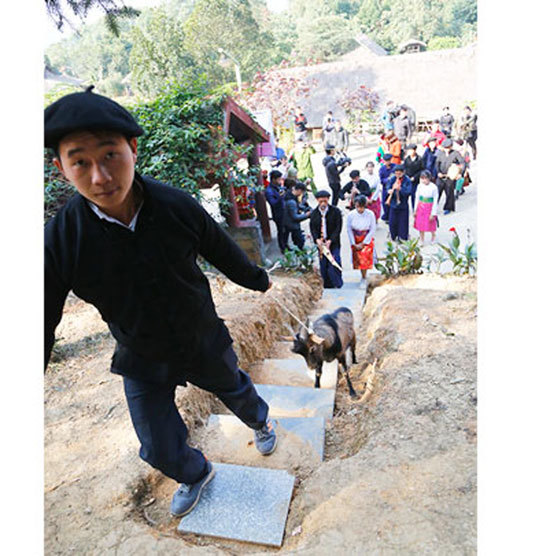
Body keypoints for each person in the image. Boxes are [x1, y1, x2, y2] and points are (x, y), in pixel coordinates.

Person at [44, 87, 277, 520]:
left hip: (199, 335)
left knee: (234, 389)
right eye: (80, 161)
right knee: (156, 444)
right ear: (61, 168)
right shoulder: (61, 241)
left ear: (132, 150)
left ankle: (262, 420)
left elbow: (222, 250)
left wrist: (257, 280)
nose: (99, 176)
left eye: (110, 155)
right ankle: (195, 472)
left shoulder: (175, 206)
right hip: (141, 350)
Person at [310, 190, 343, 289]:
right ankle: (327, 285)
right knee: (323, 265)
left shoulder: (335, 211)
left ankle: (337, 283)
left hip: (333, 242)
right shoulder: (314, 213)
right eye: (321, 202)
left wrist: (330, 240)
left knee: (334, 262)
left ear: (328, 199)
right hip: (321, 244)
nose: (323, 204)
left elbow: (338, 227)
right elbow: (312, 228)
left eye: (325, 201)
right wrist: (317, 239)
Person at [347, 195, 377, 288]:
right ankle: (362, 275)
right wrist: (353, 243)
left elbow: (372, 229)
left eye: (362, 207)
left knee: (365, 259)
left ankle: (364, 277)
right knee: (358, 260)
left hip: (366, 238)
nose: (360, 209)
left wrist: (364, 242)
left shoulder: (370, 214)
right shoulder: (351, 215)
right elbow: (349, 229)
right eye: (358, 207)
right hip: (356, 238)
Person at [435, 138, 464, 215]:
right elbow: (437, 164)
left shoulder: (456, 153)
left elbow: (462, 163)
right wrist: (438, 172)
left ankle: (448, 208)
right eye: (445, 148)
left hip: (450, 176)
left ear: (451, 147)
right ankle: (433, 207)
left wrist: (459, 173)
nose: (447, 150)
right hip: (441, 176)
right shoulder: (440, 154)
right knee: (437, 192)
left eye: (448, 148)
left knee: (449, 193)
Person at [386, 164, 413, 241]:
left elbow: (409, 191)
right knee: (392, 222)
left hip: (403, 204)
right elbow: (388, 186)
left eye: (399, 173)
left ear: (403, 172)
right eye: (396, 173)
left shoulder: (407, 180)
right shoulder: (392, 179)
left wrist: (400, 189)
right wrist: (389, 190)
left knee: (403, 223)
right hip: (393, 204)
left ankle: (403, 237)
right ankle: (393, 236)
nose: (398, 174)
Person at [282, 180, 311, 250]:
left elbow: (297, 206)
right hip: (292, 225)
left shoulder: (290, 196)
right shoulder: (292, 201)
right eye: (302, 192)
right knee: (300, 241)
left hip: (288, 223)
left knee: (295, 240)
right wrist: (307, 215)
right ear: (299, 190)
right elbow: (295, 217)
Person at [413, 170, 439, 244]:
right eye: (422, 178)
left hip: (429, 206)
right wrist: (415, 209)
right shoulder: (419, 186)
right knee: (420, 224)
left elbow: (435, 200)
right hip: (421, 206)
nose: (424, 180)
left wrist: (433, 213)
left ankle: (433, 236)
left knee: (430, 223)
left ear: (429, 178)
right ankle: (422, 239)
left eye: (425, 178)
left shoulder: (434, 187)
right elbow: (417, 197)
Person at [265, 169, 287, 252]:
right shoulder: (269, 190)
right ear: (273, 179)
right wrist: (280, 197)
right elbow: (273, 203)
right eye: (278, 179)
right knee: (281, 231)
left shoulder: (277, 187)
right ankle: (282, 247)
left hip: (283, 211)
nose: (280, 181)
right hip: (278, 214)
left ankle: (285, 245)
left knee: (285, 230)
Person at [403, 143, 424, 210]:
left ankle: (414, 208)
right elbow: (404, 168)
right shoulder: (407, 159)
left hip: (415, 180)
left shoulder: (419, 159)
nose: (410, 152)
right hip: (407, 179)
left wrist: (415, 177)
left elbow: (422, 170)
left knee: (414, 195)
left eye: (411, 150)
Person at [379, 153, 396, 222]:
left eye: (389, 160)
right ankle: (387, 216)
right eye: (386, 161)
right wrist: (388, 179)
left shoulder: (395, 167)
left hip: (393, 188)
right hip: (385, 188)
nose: (388, 162)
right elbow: (381, 180)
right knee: (385, 203)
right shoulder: (382, 169)